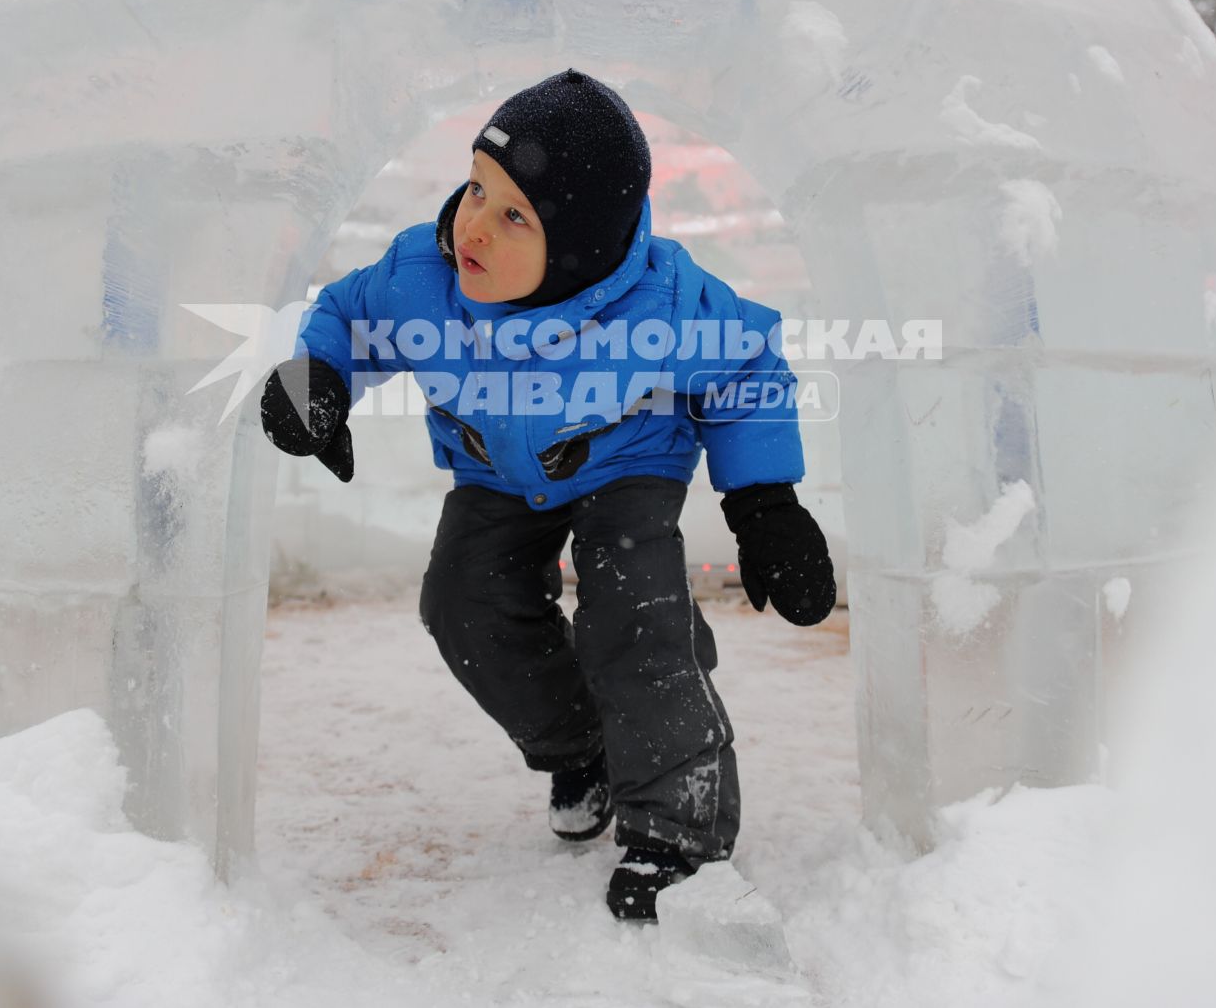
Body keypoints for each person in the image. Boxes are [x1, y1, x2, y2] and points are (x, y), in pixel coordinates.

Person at [259, 68, 836, 922]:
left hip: (626, 461)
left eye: (513, 215)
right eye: (477, 188)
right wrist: (321, 377)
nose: (473, 226)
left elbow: (746, 363)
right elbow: (350, 314)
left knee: (632, 610)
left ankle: (681, 831)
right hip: (495, 469)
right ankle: (583, 747)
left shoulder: (665, 302)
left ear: (577, 250)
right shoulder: (426, 272)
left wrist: (764, 505)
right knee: (462, 599)